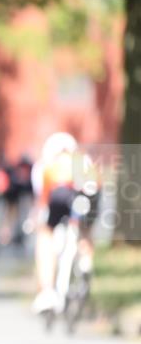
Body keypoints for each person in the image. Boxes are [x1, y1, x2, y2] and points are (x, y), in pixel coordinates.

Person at [31, 132, 100, 313]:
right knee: (85, 230)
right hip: (88, 195)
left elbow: (42, 201)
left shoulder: (46, 165)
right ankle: (85, 261)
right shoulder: (84, 161)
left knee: (45, 234)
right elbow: (96, 187)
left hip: (59, 193)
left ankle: (47, 291)